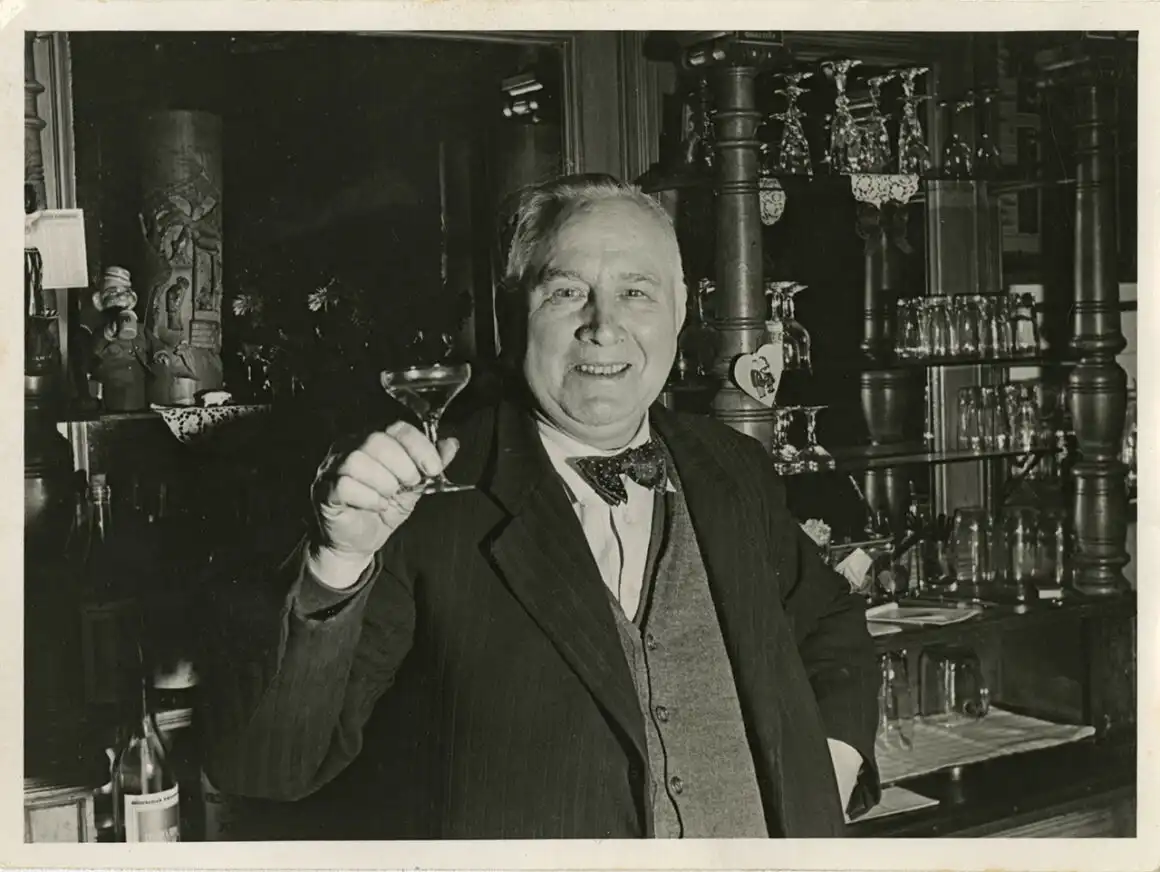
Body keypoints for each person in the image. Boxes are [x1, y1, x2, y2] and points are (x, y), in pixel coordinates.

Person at [202, 173, 880, 840]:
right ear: (512, 315)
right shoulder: (421, 499)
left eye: (636, 292)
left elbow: (832, 619)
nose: (603, 326)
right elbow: (268, 769)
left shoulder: (732, 468)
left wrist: (833, 762)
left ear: (679, 312)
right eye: (565, 292)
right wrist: (339, 558)